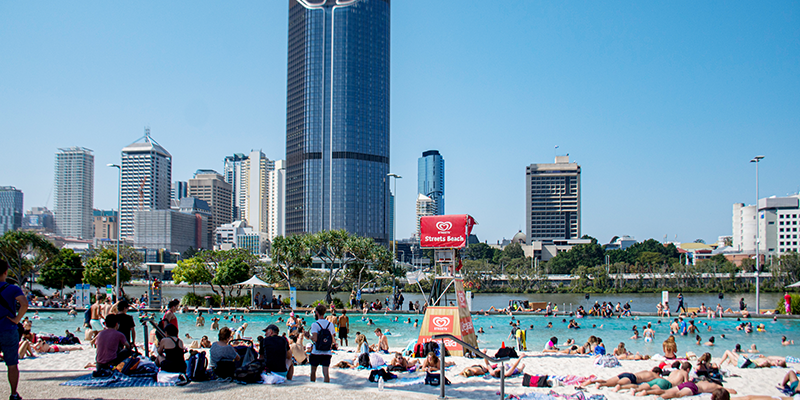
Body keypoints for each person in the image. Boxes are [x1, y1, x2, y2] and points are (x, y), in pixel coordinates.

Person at [0, 259, 28, 400]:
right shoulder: (12, 288)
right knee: (12, 364)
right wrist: (17, 319)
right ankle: (13, 393)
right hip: (8, 328)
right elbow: (24, 304)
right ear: (6, 272)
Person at [306, 304, 336, 383]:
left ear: (316, 313)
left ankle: (313, 385)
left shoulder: (315, 324)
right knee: (326, 373)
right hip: (327, 352)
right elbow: (333, 338)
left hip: (316, 351)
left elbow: (315, 339)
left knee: (313, 371)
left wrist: (308, 336)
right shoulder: (330, 324)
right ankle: (326, 386)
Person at [581, 367, 662, 388]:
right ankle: (600, 385)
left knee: (607, 381)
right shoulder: (654, 375)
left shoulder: (646, 371)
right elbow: (664, 380)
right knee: (613, 384)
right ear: (658, 373)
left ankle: (591, 382)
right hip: (632, 378)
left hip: (626, 374)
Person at [660, 380, 737, 399]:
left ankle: (653, 393)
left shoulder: (706, 382)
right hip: (694, 388)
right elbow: (730, 391)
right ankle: (662, 397)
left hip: (691, 383)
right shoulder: (717, 386)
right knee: (678, 395)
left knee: (666, 391)